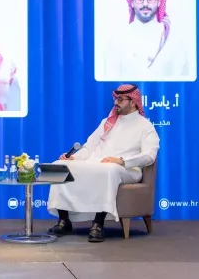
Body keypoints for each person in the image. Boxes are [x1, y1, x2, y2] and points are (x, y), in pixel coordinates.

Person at [46, 84, 160, 242]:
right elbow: (89, 146)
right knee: (59, 166)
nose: (116, 102)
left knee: (108, 170)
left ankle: (98, 224)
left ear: (133, 102)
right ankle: (64, 220)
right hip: (98, 162)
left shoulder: (145, 126)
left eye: (121, 99)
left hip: (126, 168)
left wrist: (122, 161)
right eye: (116, 99)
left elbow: (149, 156)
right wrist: (75, 158)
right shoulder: (108, 122)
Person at [99, 0, 191, 81]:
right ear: (132, 2)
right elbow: (110, 81)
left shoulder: (175, 40)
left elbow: (185, 80)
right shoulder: (116, 40)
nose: (145, 4)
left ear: (159, 1)